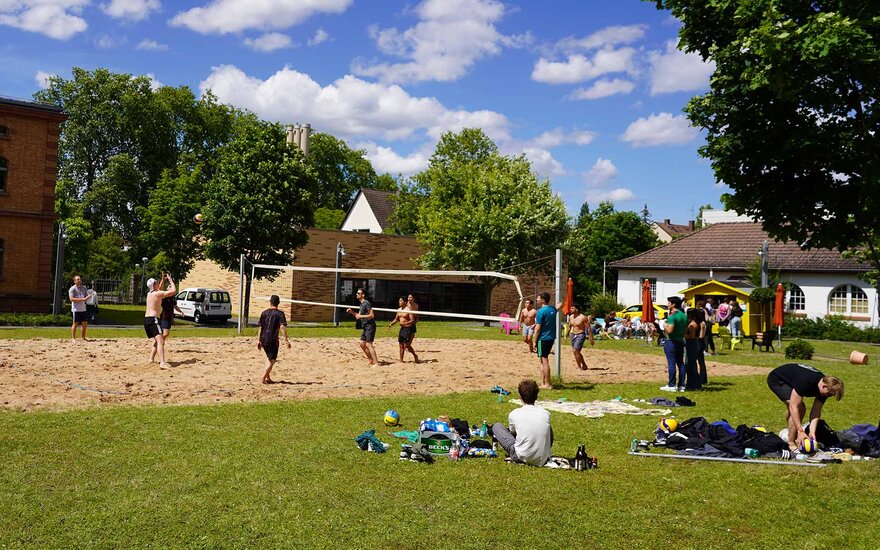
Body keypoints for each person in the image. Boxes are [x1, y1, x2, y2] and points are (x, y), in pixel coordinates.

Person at [766, 363, 844, 452]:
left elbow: (816, 410)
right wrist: (801, 431)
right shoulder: (806, 381)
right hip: (778, 379)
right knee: (800, 408)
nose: (828, 396)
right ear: (824, 386)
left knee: (797, 409)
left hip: (793, 380)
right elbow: (793, 406)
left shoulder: (825, 389)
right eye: (829, 394)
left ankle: (790, 432)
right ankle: (791, 443)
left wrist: (812, 432)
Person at [491, 379, 553, 467]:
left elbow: (513, 432)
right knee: (547, 427)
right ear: (536, 396)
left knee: (497, 426)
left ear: (520, 396)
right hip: (543, 457)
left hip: (520, 456)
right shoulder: (546, 413)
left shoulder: (514, 413)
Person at [144, 273, 177, 369]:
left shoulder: (149, 293)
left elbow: (159, 288)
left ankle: (151, 359)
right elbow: (173, 291)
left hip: (147, 320)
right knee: (161, 340)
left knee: (158, 340)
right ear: (154, 285)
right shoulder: (157, 294)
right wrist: (170, 280)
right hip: (153, 320)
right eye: (157, 282)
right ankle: (162, 363)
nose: (158, 283)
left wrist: (163, 280)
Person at [257, 295, 291, 384]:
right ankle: (263, 378)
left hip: (263, 338)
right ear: (278, 303)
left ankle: (268, 378)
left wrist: (259, 340)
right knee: (272, 360)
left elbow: (260, 327)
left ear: (270, 302)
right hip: (272, 339)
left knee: (269, 357)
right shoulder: (280, 314)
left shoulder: (264, 313)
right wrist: (286, 339)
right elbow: (282, 327)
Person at [660, 296, 687, 392]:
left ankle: (671, 385)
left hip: (671, 341)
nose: (667, 304)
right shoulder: (684, 316)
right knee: (681, 363)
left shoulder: (672, 316)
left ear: (673, 304)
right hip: (680, 340)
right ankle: (681, 385)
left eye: (668, 303)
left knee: (671, 363)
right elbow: (685, 330)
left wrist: (664, 325)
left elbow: (670, 331)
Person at [532, 292, 557, 389]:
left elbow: (538, 328)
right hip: (551, 338)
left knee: (544, 360)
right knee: (543, 360)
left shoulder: (540, 311)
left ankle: (547, 384)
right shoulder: (553, 309)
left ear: (543, 300)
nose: (536, 300)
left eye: (538, 298)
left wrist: (534, 341)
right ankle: (543, 383)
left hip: (542, 338)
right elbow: (557, 308)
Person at [347, 288, 378, 366]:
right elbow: (358, 316)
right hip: (365, 326)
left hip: (370, 326)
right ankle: (370, 360)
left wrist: (361, 316)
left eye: (358, 293)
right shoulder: (361, 304)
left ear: (363, 295)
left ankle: (376, 363)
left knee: (368, 344)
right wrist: (352, 312)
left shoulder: (366, 303)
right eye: (357, 293)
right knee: (362, 344)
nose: (356, 294)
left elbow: (372, 315)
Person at [388, 296, 419, 363]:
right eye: (399, 301)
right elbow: (396, 319)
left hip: (408, 328)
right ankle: (401, 360)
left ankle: (415, 355)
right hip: (402, 328)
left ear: (404, 302)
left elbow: (412, 320)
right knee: (401, 345)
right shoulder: (399, 310)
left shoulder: (408, 310)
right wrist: (391, 324)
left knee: (407, 345)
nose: (399, 302)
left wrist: (405, 324)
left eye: (401, 301)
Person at [565, 303, 594, 370]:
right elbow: (570, 326)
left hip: (580, 334)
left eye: (572, 308)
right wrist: (566, 334)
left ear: (577, 309)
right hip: (573, 335)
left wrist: (591, 338)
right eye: (571, 308)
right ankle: (584, 365)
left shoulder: (583, 317)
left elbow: (588, 328)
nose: (571, 309)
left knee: (576, 351)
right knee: (576, 352)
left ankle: (579, 367)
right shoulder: (571, 316)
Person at [683, 308, 703, 391]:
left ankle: (692, 384)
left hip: (691, 343)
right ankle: (696, 383)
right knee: (692, 364)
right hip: (694, 343)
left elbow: (692, 336)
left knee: (690, 364)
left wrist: (683, 335)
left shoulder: (692, 324)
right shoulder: (697, 323)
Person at [68, 275, 90, 341]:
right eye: (78, 279)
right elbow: (71, 299)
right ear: (74, 281)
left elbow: (86, 295)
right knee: (75, 323)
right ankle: (73, 338)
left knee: (84, 323)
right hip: (76, 309)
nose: (80, 280)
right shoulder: (72, 289)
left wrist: (88, 296)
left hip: (83, 309)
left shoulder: (83, 287)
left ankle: (83, 337)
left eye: (80, 279)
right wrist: (82, 299)